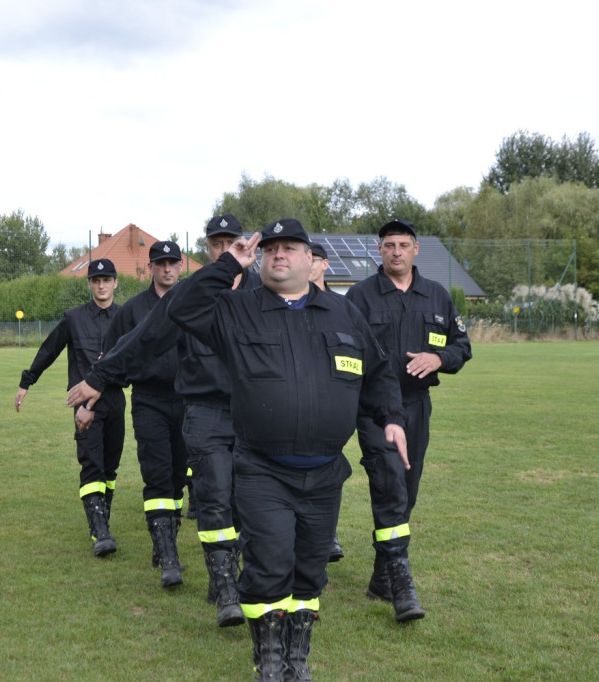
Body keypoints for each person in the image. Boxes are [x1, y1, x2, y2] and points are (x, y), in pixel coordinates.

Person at [167, 218, 408, 680]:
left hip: (324, 474)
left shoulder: (342, 313)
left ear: (310, 258)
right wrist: (226, 263)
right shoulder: (236, 309)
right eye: (270, 248)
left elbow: (377, 372)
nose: (279, 254)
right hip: (262, 470)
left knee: (309, 570)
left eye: (290, 247)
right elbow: (182, 307)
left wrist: (393, 418)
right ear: (259, 258)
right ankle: (269, 659)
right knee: (270, 563)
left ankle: (297, 658)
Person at [68, 216, 262, 625]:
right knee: (191, 488)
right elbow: (136, 343)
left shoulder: (263, 291)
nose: (225, 248)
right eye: (217, 243)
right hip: (184, 404)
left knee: (243, 498)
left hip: (250, 410)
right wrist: (96, 386)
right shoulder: (190, 296)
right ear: (208, 249)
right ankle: (197, 569)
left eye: (232, 241)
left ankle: (226, 577)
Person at [345, 219, 472, 623]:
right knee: (388, 484)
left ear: (416, 250)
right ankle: (401, 583)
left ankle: (382, 577)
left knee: (407, 491)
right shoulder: (360, 297)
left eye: (403, 245)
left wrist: (439, 358)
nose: (396, 251)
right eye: (388, 245)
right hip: (376, 411)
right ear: (378, 251)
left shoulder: (436, 296)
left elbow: (462, 345)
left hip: (417, 406)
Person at [15, 258, 126, 558]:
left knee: (110, 469)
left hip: (115, 400)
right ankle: (100, 532)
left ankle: (101, 518)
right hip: (83, 405)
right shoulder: (74, 318)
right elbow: (50, 349)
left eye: (107, 279)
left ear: (116, 283)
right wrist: (27, 381)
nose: (101, 285)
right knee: (92, 463)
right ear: (89, 284)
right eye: (96, 280)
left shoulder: (126, 317)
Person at [95, 241, 189, 588]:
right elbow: (111, 357)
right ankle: (168, 557)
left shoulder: (193, 305)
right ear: (150, 268)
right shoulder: (132, 310)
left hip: (188, 400)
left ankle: (167, 537)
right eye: (160, 263)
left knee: (179, 478)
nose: (166, 269)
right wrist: (93, 401)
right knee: (158, 474)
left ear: (181, 266)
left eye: (172, 263)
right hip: (149, 400)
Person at [308, 240, 345, 564]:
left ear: (325, 264)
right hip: (297, 398)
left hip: (331, 401)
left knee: (330, 470)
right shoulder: (291, 303)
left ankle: (329, 533)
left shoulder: (339, 306)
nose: (309, 263)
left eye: (315, 258)